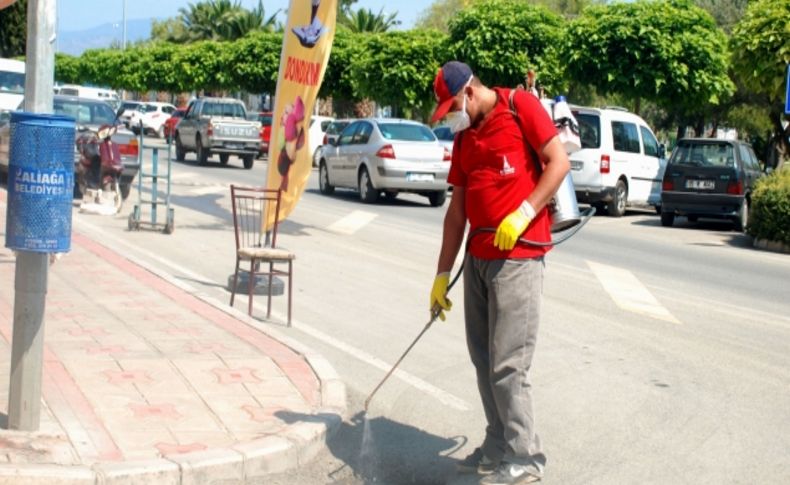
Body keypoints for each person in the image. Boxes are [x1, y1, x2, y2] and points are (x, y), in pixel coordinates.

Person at [428, 61, 570, 484]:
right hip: (478, 258)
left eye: (452, 107)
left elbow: (558, 163)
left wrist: (523, 213)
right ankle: (497, 443)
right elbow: (456, 211)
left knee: (509, 365)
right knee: (483, 358)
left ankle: (526, 456)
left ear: (469, 92)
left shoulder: (519, 106)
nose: (450, 117)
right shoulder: (465, 138)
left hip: (519, 257)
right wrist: (440, 274)